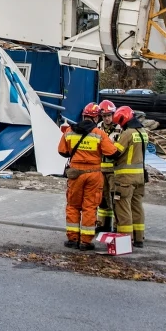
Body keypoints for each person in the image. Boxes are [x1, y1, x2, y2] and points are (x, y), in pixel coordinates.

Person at [57, 102, 118, 250]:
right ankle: (85, 241)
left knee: (73, 205)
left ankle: (72, 239)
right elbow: (112, 153)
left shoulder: (70, 131)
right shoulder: (99, 134)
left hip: (75, 174)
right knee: (89, 207)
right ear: (96, 118)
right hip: (93, 174)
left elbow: (62, 152)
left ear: (83, 115)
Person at [111, 105, 149, 247]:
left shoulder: (127, 133)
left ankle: (125, 241)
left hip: (125, 179)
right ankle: (139, 238)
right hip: (140, 178)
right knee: (137, 207)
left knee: (123, 208)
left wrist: (109, 144)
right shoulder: (143, 132)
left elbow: (115, 152)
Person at [96, 99, 118, 234]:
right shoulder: (98, 128)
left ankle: (116, 225)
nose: (107, 118)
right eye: (104, 116)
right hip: (101, 168)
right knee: (102, 198)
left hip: (114, 169)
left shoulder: (120, 129)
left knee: (115, 198)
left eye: (109, 115)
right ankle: (103, 224)